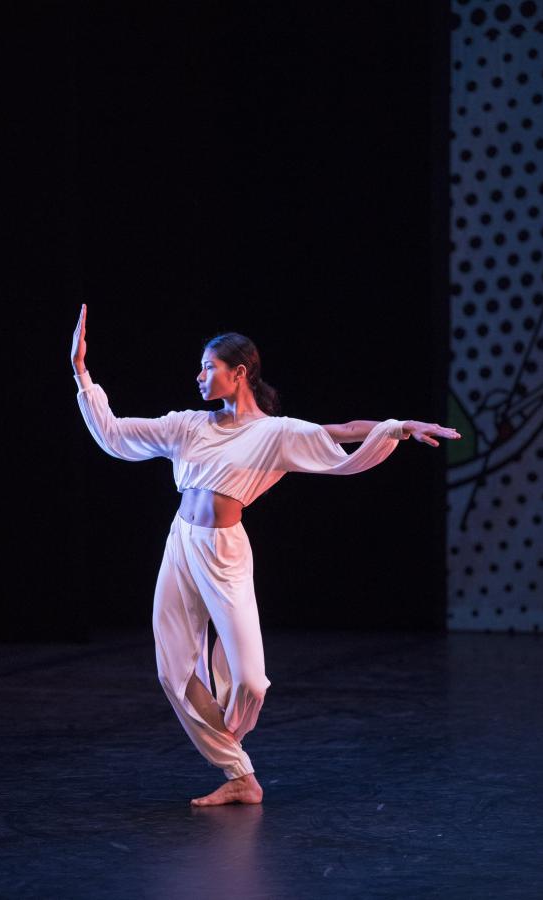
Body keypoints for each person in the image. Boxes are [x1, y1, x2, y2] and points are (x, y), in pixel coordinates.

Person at [70, 303, 461, 807]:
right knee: (173, 670)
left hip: (225, 551)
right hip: (181, 543)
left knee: (251, 681)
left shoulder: (273, 434)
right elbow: (116, 433)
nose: (199, 376)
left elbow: (341, 430)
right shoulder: (189, 425)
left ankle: (230, 747)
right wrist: (81, 372)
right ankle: (239, 774)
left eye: (208, 367)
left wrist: (400, 426)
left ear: (239, 373)